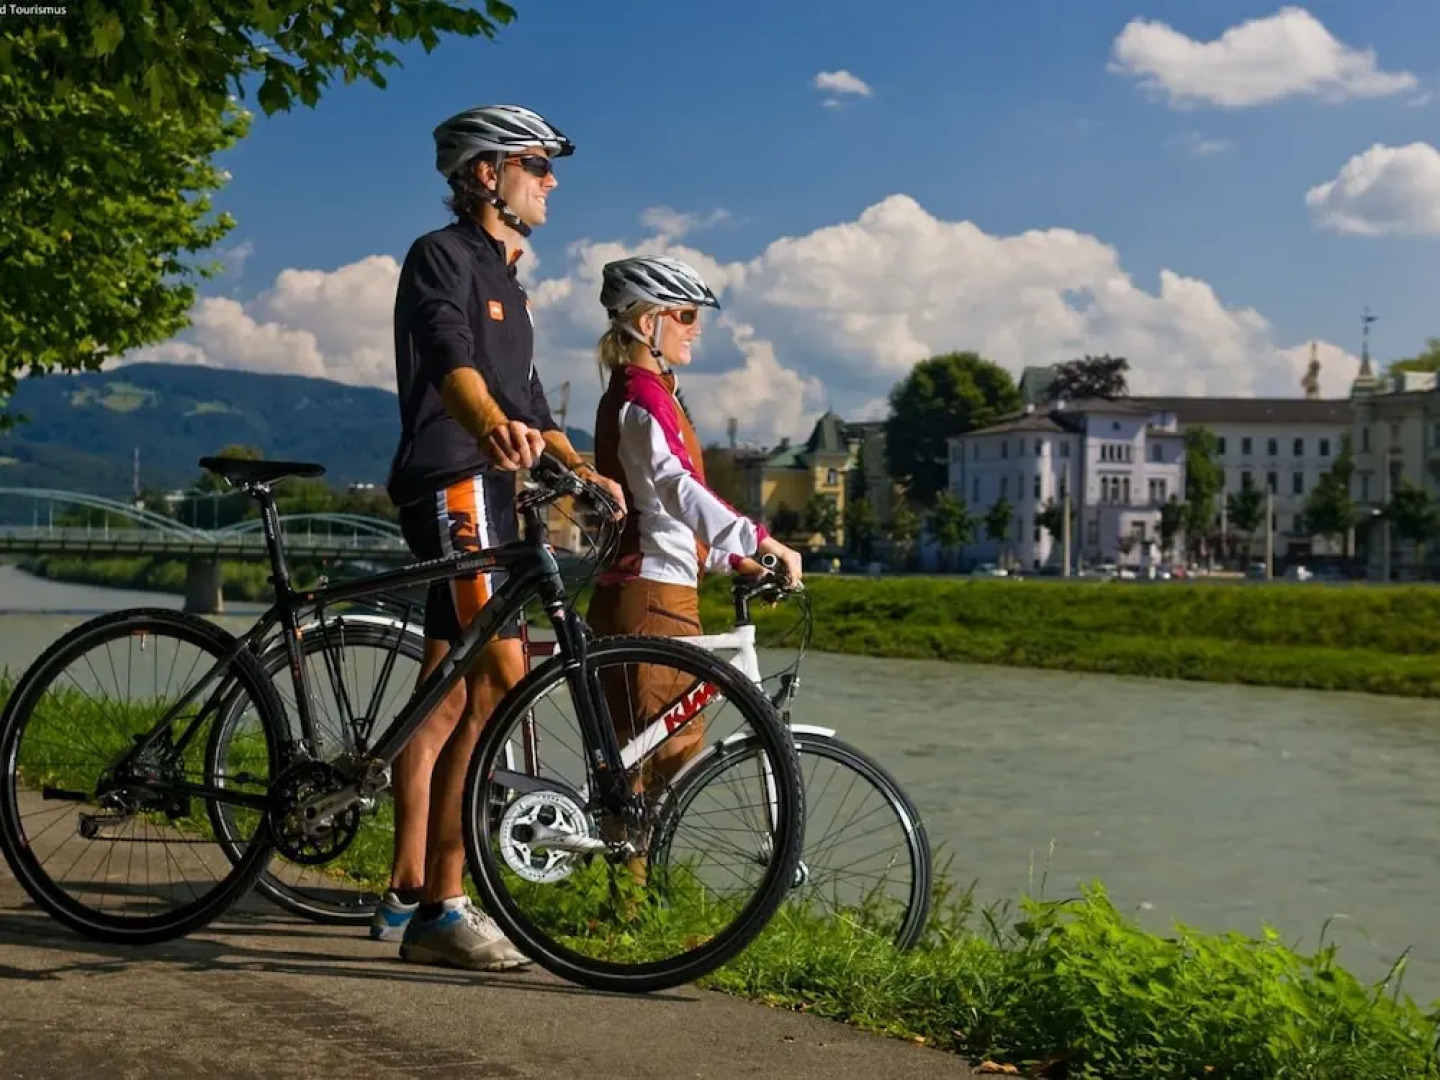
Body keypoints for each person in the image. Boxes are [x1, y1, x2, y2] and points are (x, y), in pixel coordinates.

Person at [377, 104, 625, 970]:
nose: (552, 180)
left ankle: (406, 883)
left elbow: (529, 406)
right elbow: (456, 369)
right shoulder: (439, 257)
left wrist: (579, 466)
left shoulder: (510, 281)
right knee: (499, 686)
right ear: (488, 174)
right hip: (454, 483)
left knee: (447, 693)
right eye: (537, 164)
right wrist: (489, 432)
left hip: (491, 486)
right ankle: (445, 910)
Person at [586, 255, 803, 798]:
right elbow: (676, 489)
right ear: (647, 320)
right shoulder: (644, 396)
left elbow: (665, 514)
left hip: (639, 592)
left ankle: (627, 884)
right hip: (655, 602)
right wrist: (761, 538)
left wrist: (739, 561)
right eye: (685, 314)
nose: (696, 326)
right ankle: (639, 884)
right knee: (671, 765)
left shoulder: (637, 391)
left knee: (633, 772)